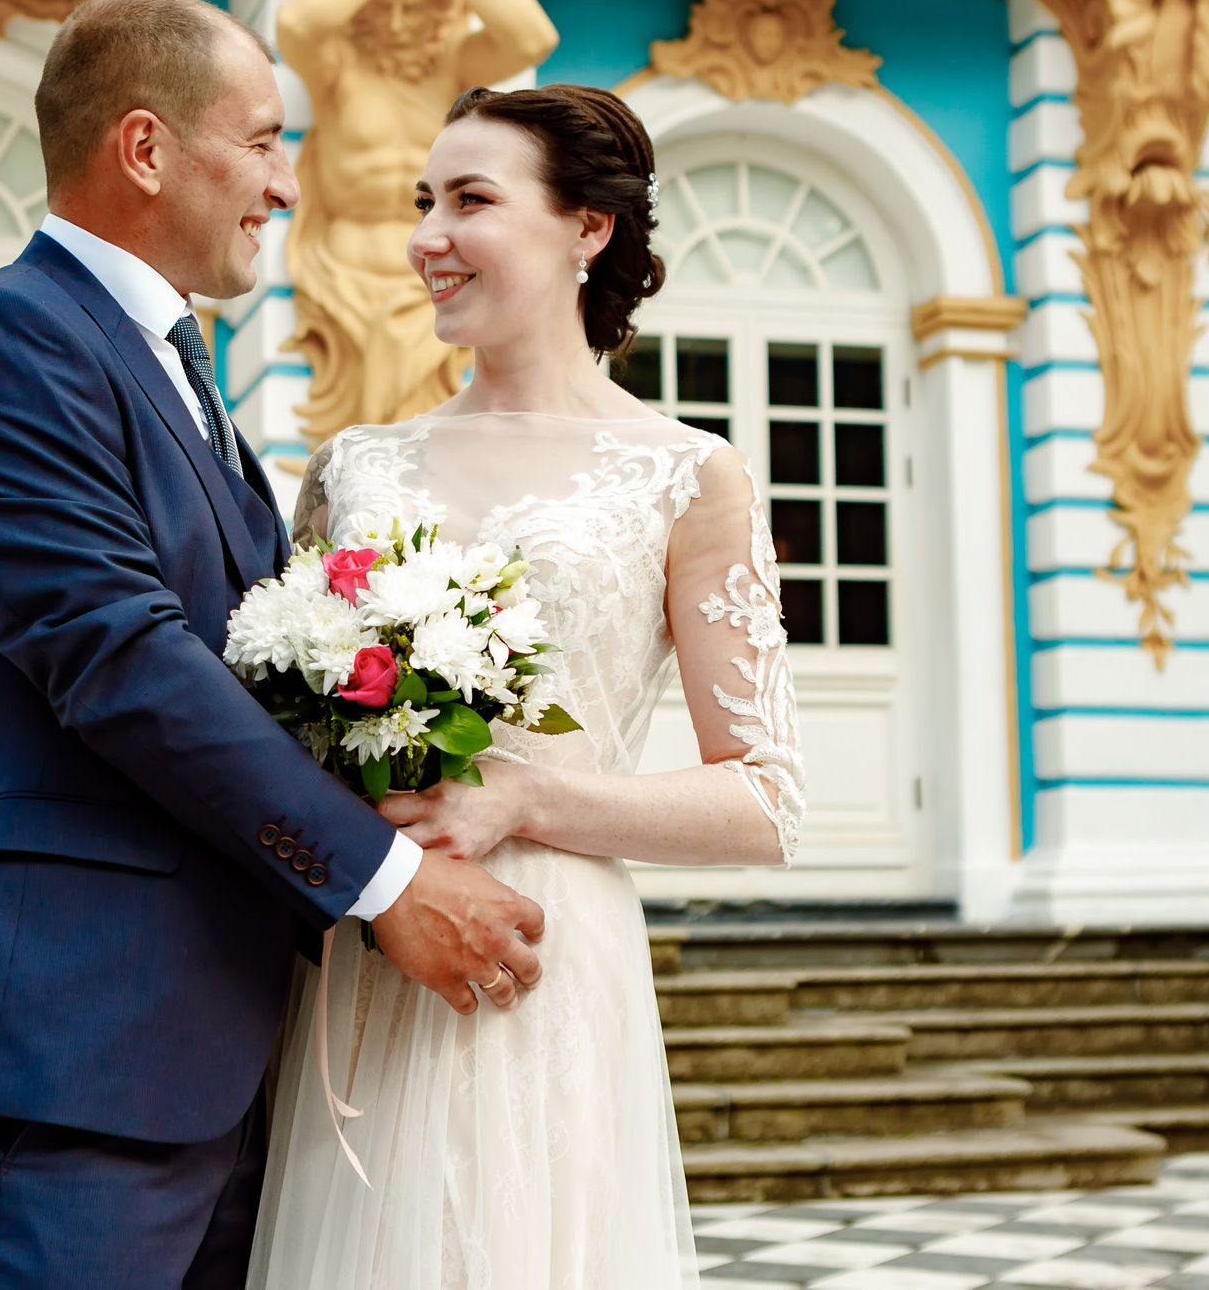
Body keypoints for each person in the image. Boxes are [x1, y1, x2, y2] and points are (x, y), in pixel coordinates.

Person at [0, 0, 549, 1290]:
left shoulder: (172, 360)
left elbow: (251, 667)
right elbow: (117, 656)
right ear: (147, 147)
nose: (288, 186)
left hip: (210, 1043)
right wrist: (386, 884)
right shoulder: (8, 341)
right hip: (65, 1038)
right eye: (265, 141)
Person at [248, 84, 807, 1290]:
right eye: (422, 203)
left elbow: (765, 803)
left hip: (546, 963)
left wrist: (524, 799)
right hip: (372, 945)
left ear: (586, 229)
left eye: (471, 201)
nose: (426, 237)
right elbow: (278, 734)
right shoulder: (353, 468)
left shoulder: (689, 475)